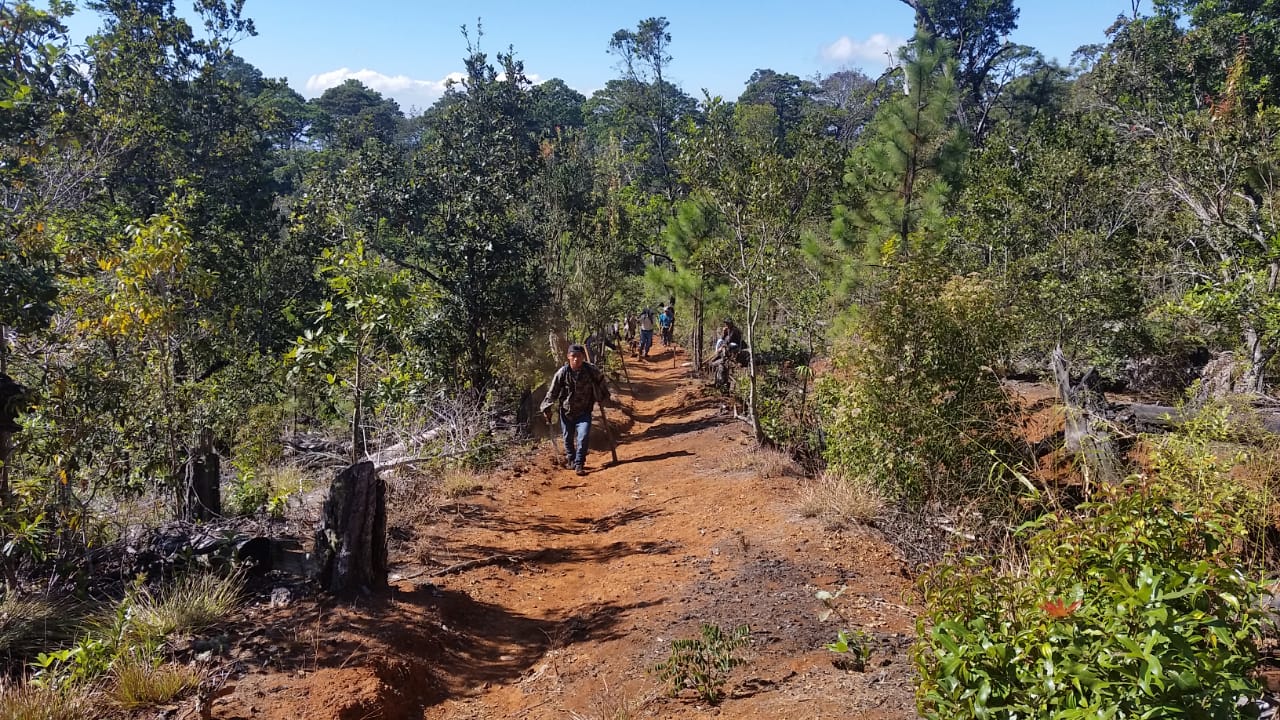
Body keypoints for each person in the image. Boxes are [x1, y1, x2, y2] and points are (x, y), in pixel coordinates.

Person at [540, 344, 611, 476]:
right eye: (573, 356)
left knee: (583, 436)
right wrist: (546, 407)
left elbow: (601, 382)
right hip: (566, 412)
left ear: (583, 357)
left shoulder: (591, 370)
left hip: (584, 411)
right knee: (567, 438)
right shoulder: (562, 372)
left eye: (579, 356)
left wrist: (603, 396)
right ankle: (571, 460)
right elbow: (552, 392)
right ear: (568, 357)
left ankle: (579, 463)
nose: (576, 359)